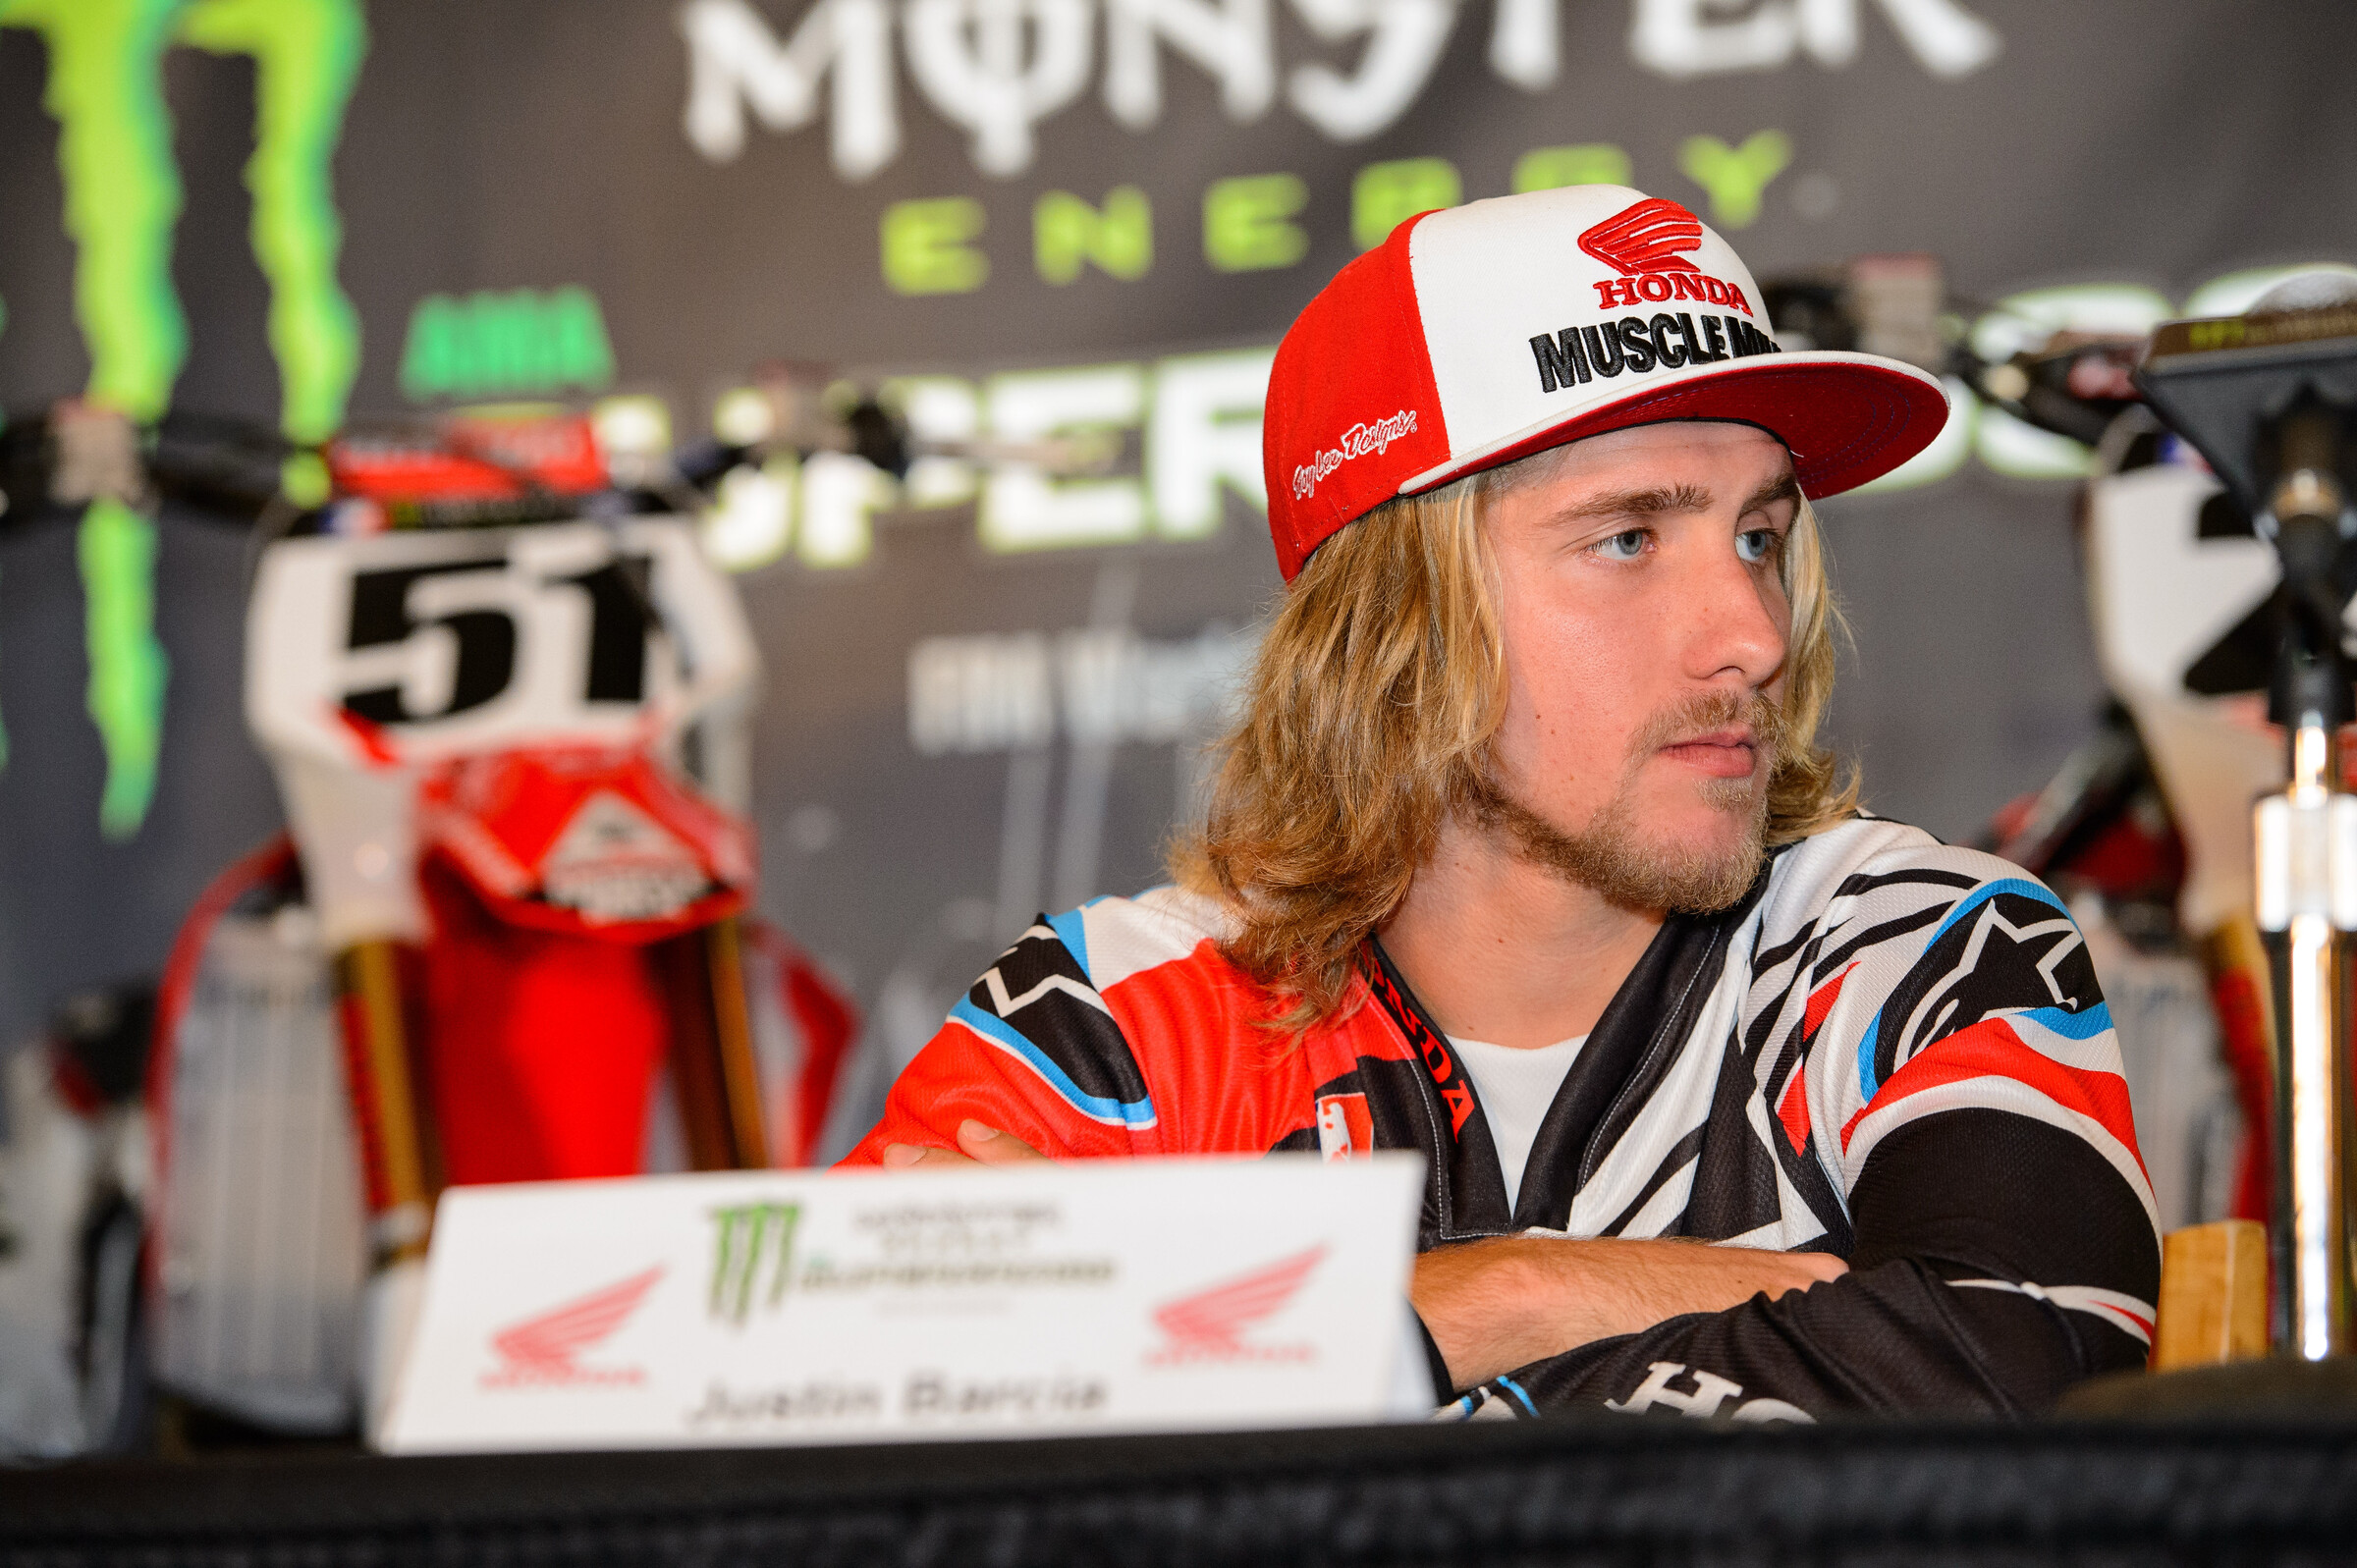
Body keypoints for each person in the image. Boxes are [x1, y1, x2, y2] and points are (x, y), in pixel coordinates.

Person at [841, 186, 2160, 1421]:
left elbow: (2023, 1368)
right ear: (1388, 625)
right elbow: (846, 1405)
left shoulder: (1921, 948)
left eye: (1759, 536)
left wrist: (1395, 1326)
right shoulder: (1117, 1018)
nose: (1751, 632)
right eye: (1629, 539)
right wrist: (1541, 1304)